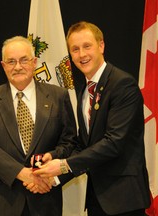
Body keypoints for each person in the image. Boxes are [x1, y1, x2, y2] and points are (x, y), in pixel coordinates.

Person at [33, 21, 151, 216]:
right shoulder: (85, 90)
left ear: (101, 46)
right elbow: (85, 144)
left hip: (124, 200)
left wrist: (63, 165)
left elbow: (113, 143)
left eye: (87, 46)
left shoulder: (123, 84)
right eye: (75, 49)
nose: (82, 54)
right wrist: (53, 163)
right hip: (98, 199)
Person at [0, 36, 77, 216]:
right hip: (3, 201)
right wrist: (22, 173)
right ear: (3, 65)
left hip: (45, 199)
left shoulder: (58, 96)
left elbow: (70, 143)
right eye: (11, 61)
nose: (18, 66)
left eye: (24, 60)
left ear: (35, 62)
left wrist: (50, 168)